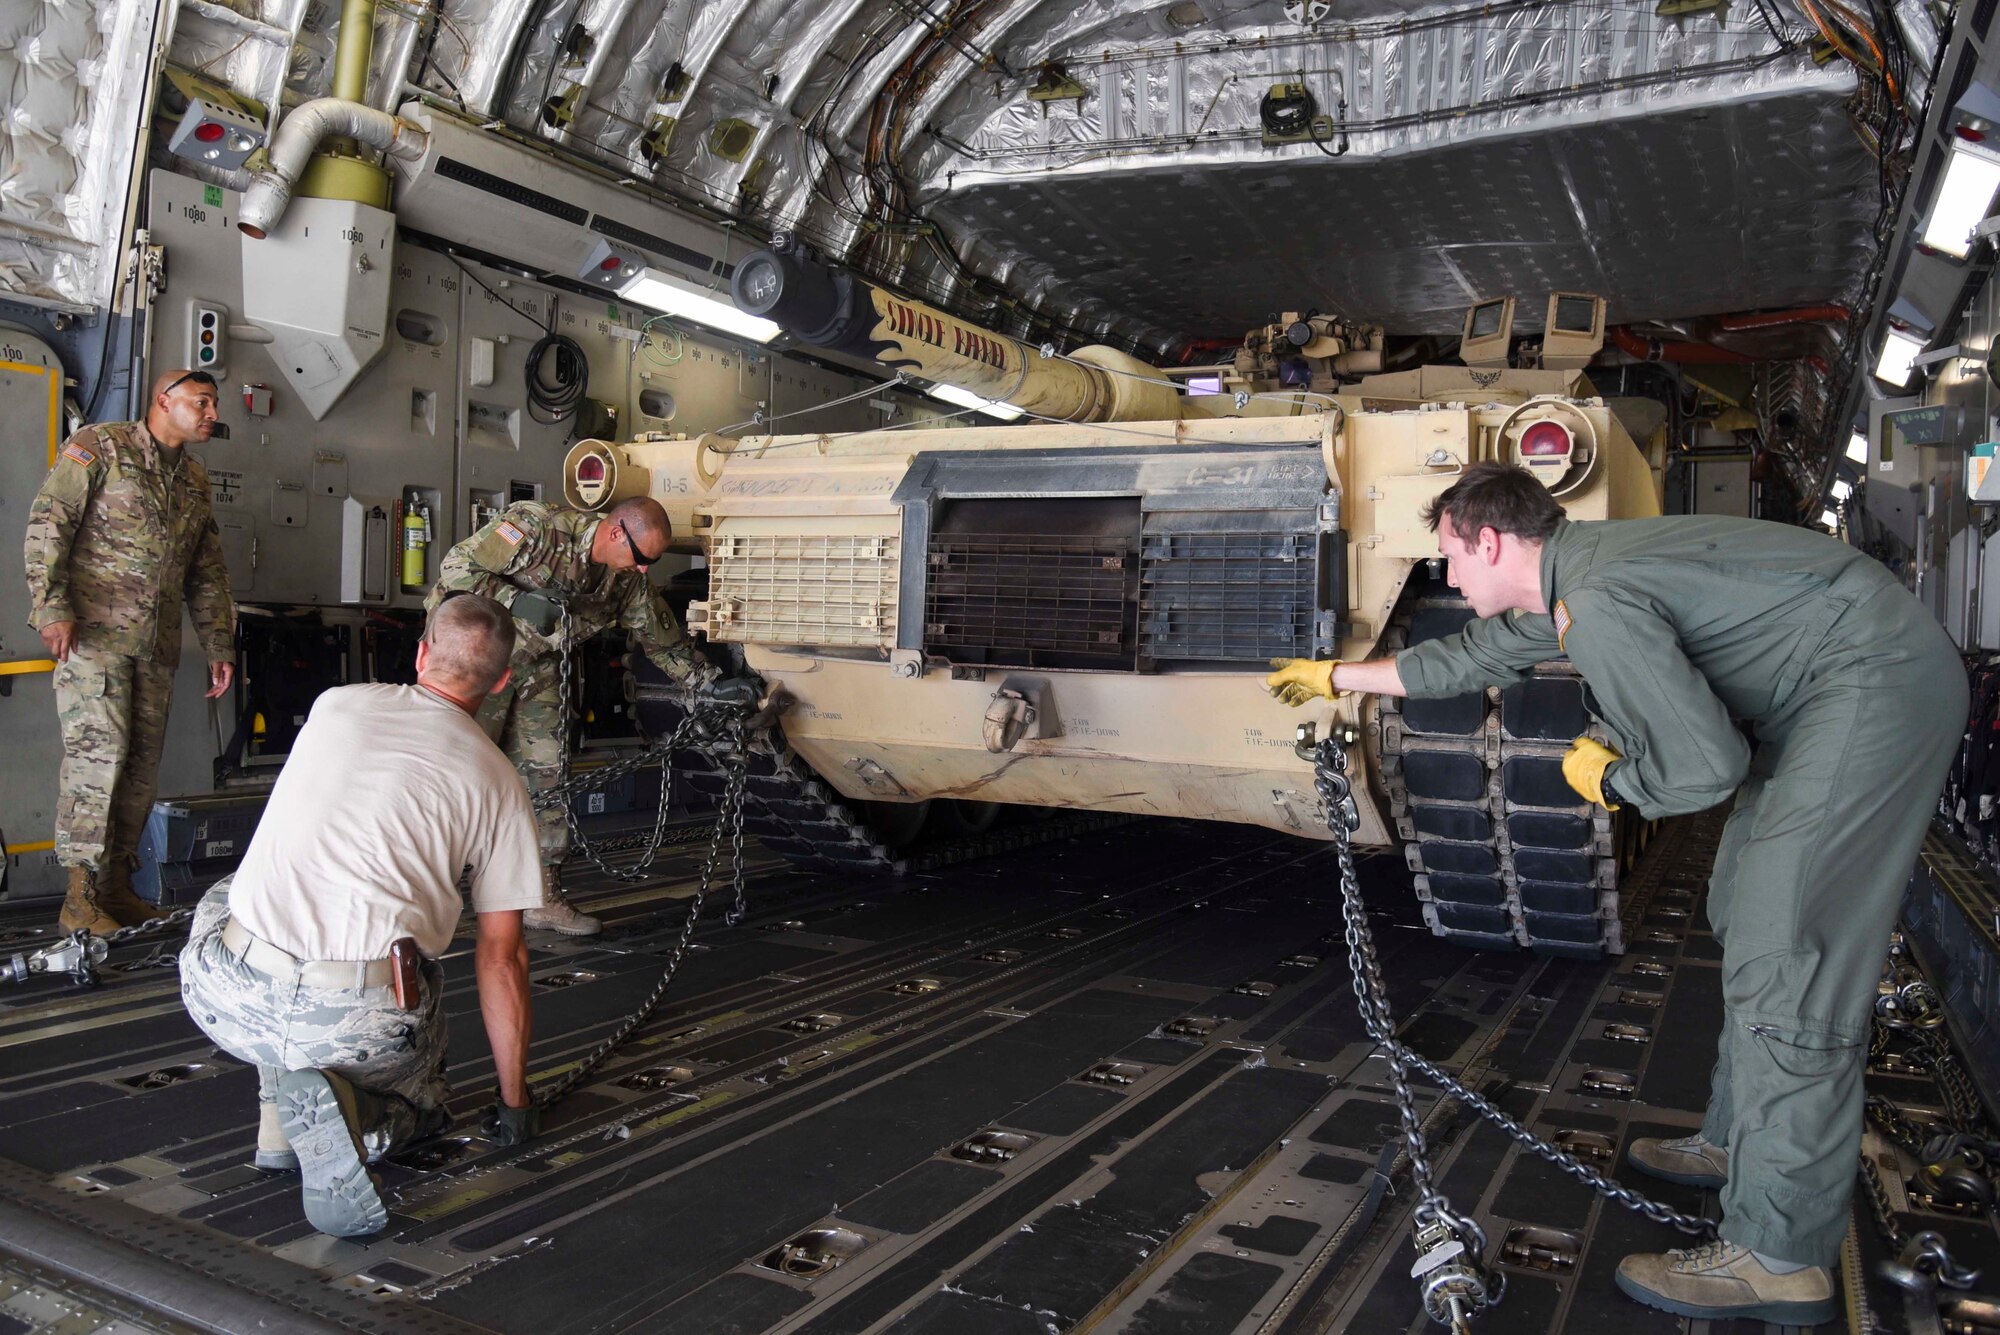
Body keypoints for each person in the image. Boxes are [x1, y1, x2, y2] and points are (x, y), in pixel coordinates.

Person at [1265, 461, 1965, 1327]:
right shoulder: (1574, 573)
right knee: (1746, 907)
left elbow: (1707, 767)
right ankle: (1740, 1139)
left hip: (1871, 691)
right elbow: (1475, 654)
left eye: (1449, 556)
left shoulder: (1594, 602)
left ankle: (1779, 1253)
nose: (1446, 575)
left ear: (1490, 540)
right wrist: (1337, 677)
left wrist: (1616, 780)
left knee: (1791, 946)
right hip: (1831, 691)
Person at [179, 593, 543, 1237]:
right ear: (504, 680)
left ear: (422, 652)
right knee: (423, 1105)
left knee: (245, 888)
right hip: (355, 1025)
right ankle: (363, 1119)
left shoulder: (335, 703)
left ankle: (276, 1126)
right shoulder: (500, 784)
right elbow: (501, 957)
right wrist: (514, 1102)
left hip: (228, 997)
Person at [429, 496, 727, 936]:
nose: (644, 568)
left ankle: (541, 897)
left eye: (652, 561)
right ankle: (425, 888)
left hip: (538, 666)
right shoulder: (538, 529)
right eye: (641, 556)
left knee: (547, 775)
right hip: (473, 660)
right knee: (454, 771)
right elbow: (458, 568)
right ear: (613, 532)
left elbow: (663, 643)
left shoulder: (626, 582)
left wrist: (712, 685)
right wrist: (518, 602)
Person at [23, 369, 236, 935]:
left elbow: (206, 570)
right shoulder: (101, 447)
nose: (212, 412)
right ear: (163, 401)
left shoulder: (193, 479)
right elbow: (50, 522)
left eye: (213, 403)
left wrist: (219, 641)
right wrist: (51, 606)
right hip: (94, 639)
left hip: (154, 648)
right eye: (202, 401)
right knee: (99, 763)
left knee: (139, 770)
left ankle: (115, 889)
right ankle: (80, 898)